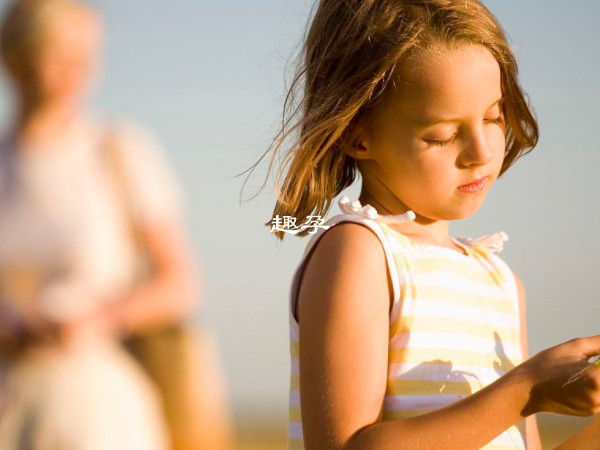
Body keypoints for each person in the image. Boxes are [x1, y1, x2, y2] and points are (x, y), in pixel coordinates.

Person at [249, 0, 600, 448]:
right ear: (357, 132)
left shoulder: (500, 281)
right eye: (441, 134)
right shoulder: (361, 253)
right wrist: (523, 391)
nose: (483, 151)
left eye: (493, 117)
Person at [0, 0, 232, 449]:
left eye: (88, 56)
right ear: (19, 54)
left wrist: (98, 319)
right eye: (61, 54)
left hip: (95, 403)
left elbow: (180, 282)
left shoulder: (118, 151)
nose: (79, 69)